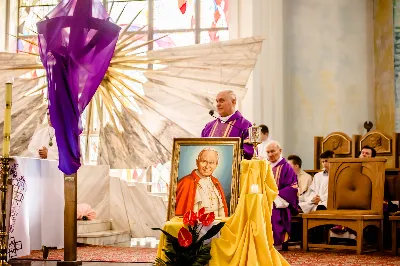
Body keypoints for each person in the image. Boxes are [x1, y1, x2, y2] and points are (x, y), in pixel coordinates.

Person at [175, 148, 228, 217]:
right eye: (204, 161)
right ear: (197, 162)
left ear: (216, 164)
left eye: (211, 162)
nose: (207, 166)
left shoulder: (216, 182)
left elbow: (222, 210)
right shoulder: (186, 182)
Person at [201, 90, 253, 159]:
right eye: (217, 101)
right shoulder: (209, 127)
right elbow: (200, 148)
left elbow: (250, 151)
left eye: (222, 101)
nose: (218, 104)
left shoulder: (245, 125)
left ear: (233, 102)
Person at [266, 141, 298, 250]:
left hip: (279, 202)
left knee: (273, 211)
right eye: (268, 152)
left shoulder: (287, 168)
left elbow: (293, 187)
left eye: (273, 151)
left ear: (280, 151)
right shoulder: (264, 166)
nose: (270, 154)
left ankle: (277, 244)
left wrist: (275, 195)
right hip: (265, 199)